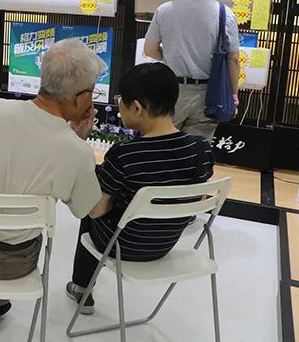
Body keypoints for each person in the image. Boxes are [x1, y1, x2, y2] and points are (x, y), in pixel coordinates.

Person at [0, 38, 104, 333]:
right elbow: (89, 209)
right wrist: (78, 141)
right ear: (82, 98)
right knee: (22, 236)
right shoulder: (76, 151)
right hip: (14, 264)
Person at [66, 63, 215, 315]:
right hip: (165, 243)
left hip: (121, 246)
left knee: (91, 206)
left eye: (120, 101)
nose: (119, 106)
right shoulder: (201, 149)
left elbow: (95, 211)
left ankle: (82, 288)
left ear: (136, 107)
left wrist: (81, 148)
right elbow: (196, 199)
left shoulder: (125, 154)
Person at [143, 0, 240, 140]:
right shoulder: (225, 14)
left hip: (172, 91)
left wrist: (169, 56)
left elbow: (150, 50)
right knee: (197, 149)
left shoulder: (164, 11)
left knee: (164, 144)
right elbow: (233, 59)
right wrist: (233, 93)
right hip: (209, 94)